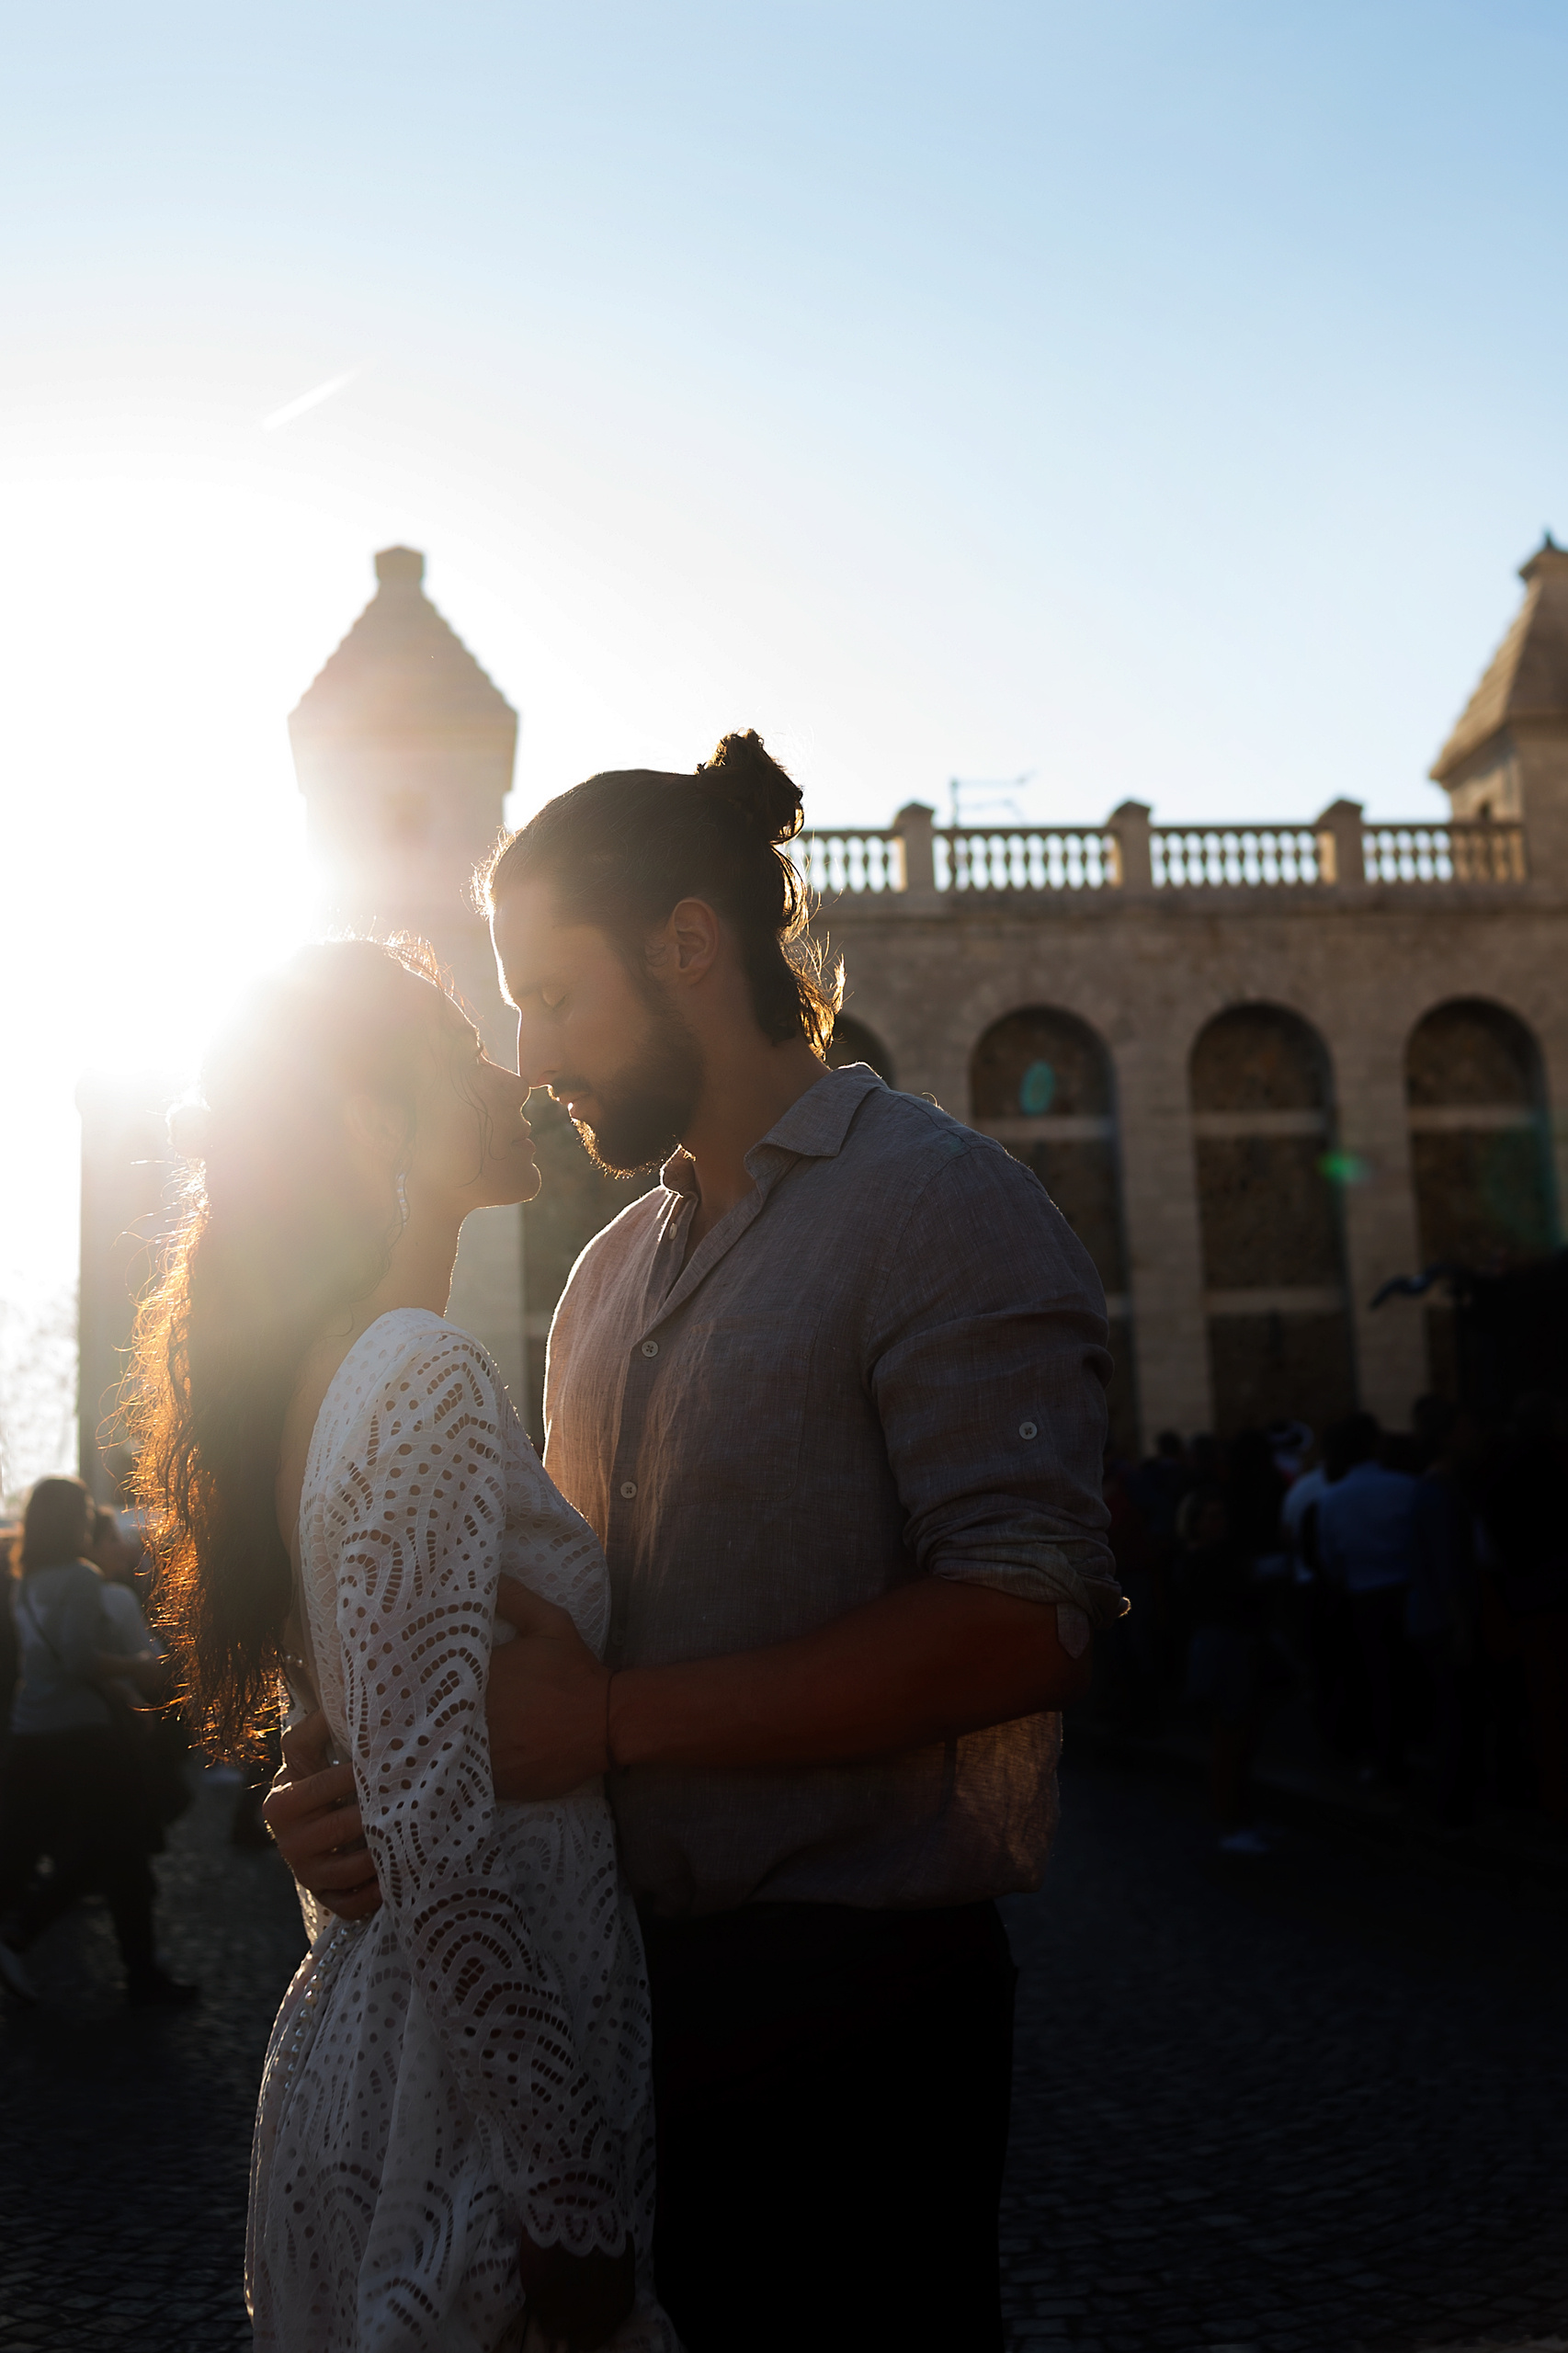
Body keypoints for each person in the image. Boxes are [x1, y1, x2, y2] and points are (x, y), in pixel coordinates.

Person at [269, 729, 1123, 2353]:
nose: (528, 1060)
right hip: (631, 2001)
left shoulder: (940, 1206)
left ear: (688, 946)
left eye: (554, 995)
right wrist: (361, 1782)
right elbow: (541, 1637)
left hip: (859, 2015)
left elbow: (1025, 1621)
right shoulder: (599, 1285)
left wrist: (604, 1724)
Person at [131, 941, 668, 2353]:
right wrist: (568, 2185)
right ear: (373, 1119)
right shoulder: (416, 1370)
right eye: (459, 1055)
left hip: (394, 2048)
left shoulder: (328, 1369)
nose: (516, 1078)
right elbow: (429, 1820)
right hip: (462, 2108)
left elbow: (367, 1764)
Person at [0, 1475, 193, 2007]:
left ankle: (142, 1974)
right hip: (81, 1732)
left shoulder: (27, 1580)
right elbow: (80, 1659)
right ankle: (25, 1929)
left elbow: (44, 1661)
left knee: (94, 1842)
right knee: (114, 1840)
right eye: (85, 1509)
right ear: (73, 1519)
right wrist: (138, 1668)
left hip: (32, 1725)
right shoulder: (82, 1580)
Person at [1316, 1413, 1417, 1786]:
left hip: (1363, 1598)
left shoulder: (1332, 1499)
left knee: (1377, 1682)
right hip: (1406, 1591)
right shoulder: (1406, 1486)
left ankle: (1385, 1760)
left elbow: (1330, 1557)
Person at [1176, 1487, 1275, 1854]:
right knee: (1229, 1737)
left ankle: (1240, 1816)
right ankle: (1231, 1821)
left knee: (1238, 1735)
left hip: (1225, 1646)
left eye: (1222, 1515)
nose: (1221, 1523)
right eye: (1212, 1517)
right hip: (1222, 1648)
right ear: (1196, 1523)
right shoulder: (1206, 1561)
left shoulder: (1204, 1558)